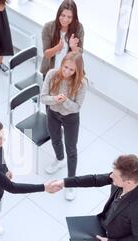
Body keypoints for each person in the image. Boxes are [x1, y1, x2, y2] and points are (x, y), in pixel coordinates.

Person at [40, 52, 87, 201]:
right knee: (55, 139)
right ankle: (60, 160)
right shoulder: (52, 74)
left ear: (77, 71)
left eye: (71, 70)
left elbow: (77, 107)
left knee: (71, 149)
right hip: (53, 113)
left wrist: (65, 101)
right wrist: (55, 99)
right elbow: (43, 98)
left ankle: (71, 183)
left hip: (71, 118)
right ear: (61, 64)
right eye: (65, 67)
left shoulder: (81, 83)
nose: (67, 72)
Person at [41, 0, 84, 79]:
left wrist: (73, 47)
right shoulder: (48, 27)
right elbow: (46, 54)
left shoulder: (78, 28)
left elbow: (79, 55)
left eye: (69, 17)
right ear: (58, 14)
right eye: (63, 15)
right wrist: (57, 48)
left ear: (74, 17)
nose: (65, 20)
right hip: (51, 72)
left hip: (70, 73)